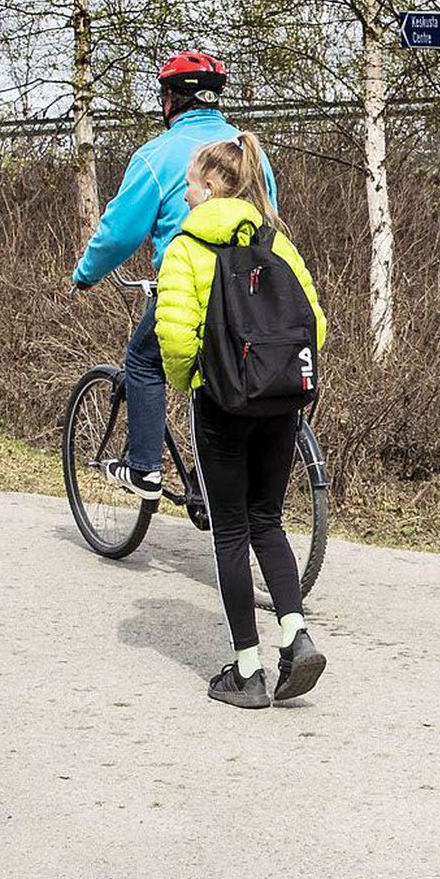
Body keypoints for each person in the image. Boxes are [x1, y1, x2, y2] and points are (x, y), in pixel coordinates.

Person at [153, 132, 327, 709]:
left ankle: (248, 672)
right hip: (280, 404)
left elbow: (175, 337)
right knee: (267, 522)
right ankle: (295, 633)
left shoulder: (185, 248)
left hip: (222, 404)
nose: (185, 193)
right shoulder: (277, 241)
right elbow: (315, 327)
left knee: (229, 530)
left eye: (190, 184)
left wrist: (192, 381)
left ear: (209, 187)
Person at [70, 52, 271, 501]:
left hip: (187, 288)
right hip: (254, 291)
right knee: (222, 375)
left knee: (143, 360)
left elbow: (118, 233)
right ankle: (213, 478)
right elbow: (270, 221)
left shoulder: (156, 155)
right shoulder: (245, 150)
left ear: (168, 100)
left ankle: (144, 468)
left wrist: (85, 274)